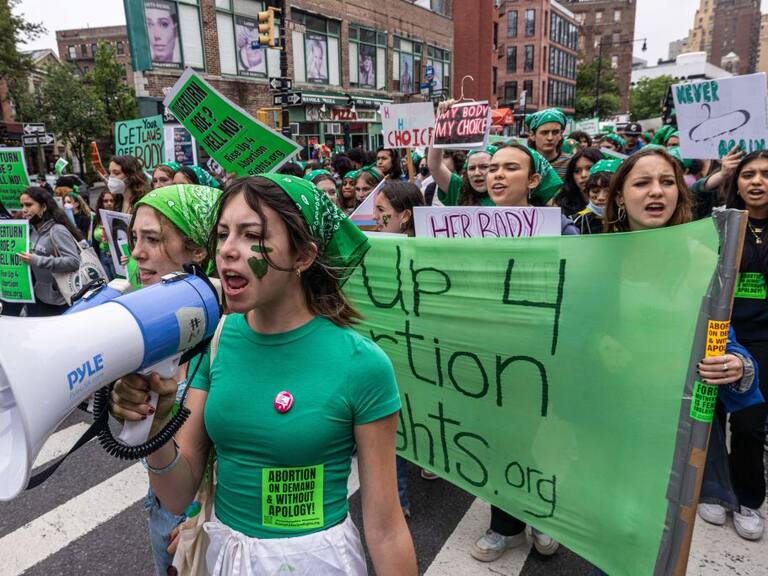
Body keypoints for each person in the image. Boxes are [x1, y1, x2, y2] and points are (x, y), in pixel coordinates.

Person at [111, 173, 418, 575]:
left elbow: (386, 528)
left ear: (303, 256)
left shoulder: (363, 365)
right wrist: (156, 424)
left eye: (250, 234)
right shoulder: (215, 340)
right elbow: (176, 494)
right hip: (227, 559)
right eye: (222, 235)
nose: (227, 252)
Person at [471, 143, 578, 563]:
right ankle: (505, 526)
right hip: (482, 358)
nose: (497, 175)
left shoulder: (561, 229)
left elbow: (579, 285)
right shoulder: (464, 228)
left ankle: (540, 514)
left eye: (510, 168)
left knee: (535, 441)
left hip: (537, 358)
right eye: (492, 168)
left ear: (533, 180)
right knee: (497, 440)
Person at [126, 183, 222, 575]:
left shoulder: (223, 333)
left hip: (202, 520)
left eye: (153, 239)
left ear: (198, 250)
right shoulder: (156, 324)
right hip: (165, 510)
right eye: (135, 237)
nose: (136, 252)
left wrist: (200, 516)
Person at [714, 149, 768, 540]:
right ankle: (715, 488)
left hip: (763, 338)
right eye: (748, 174)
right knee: (710, 415)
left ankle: (749, 498)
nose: (757, 182)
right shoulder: (722, 223)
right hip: (719, 331)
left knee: (749, 423)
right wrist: (718, 174)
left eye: (765, 174)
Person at [18, 187, 82, 317]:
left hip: (61, 301)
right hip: (38, 299)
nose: (24, 210)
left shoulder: (57, 230)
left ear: (44, 207)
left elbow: (74, 261)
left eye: (29, 205)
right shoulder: (29, 231)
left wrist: (37, 260)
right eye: (22, 205)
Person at [573, 158, 620, 235]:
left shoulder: (631, 219)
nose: (601, 197)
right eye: (595, 191)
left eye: (608, 192)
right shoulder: (577, 221)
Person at [554, 147, 603, 217]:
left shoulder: (617, 202)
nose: (583, 175)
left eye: (589, 168)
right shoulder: (562, 206)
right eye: (577, 171)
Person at [525, 108, 571, 180]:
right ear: (532, 135)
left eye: (555, 132)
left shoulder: (571, 164)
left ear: (561, 134)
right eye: (544, 132)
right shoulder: (524, 163)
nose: (550, 138)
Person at [93, 190, 117, 280]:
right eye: (105, 201)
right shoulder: (97, 218)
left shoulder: (117, 217)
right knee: (108, 282)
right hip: (102, 254)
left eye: (111, 200)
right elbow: (94, 240)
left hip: (114, 256)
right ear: (101, 202)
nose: (109, 203)